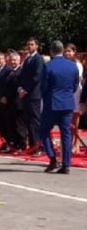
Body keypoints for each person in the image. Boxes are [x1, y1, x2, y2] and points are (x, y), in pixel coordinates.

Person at [40, 40, 78, 174]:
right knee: (66, 134)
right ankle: (66, 164)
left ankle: (52, 158)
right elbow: (74, 85)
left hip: (51, 103)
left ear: (51, 51)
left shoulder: (48, 66)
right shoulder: (73, 66)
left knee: (43, 131)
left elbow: (43, 86)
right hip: (67, 103)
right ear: (62, 50)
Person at [17, 38, 45, 153]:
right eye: (28, 44)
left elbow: (37, 77)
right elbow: (21, 76)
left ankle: (38, 145)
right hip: (25, 94)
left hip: (34, 94)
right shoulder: (27, 59)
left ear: (37, 46)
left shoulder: (38, 59)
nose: (29, 46)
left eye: (32, 44)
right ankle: (32, 144)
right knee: (28, 120)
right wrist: (19, 88)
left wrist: (26, 90)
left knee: (35, 121)